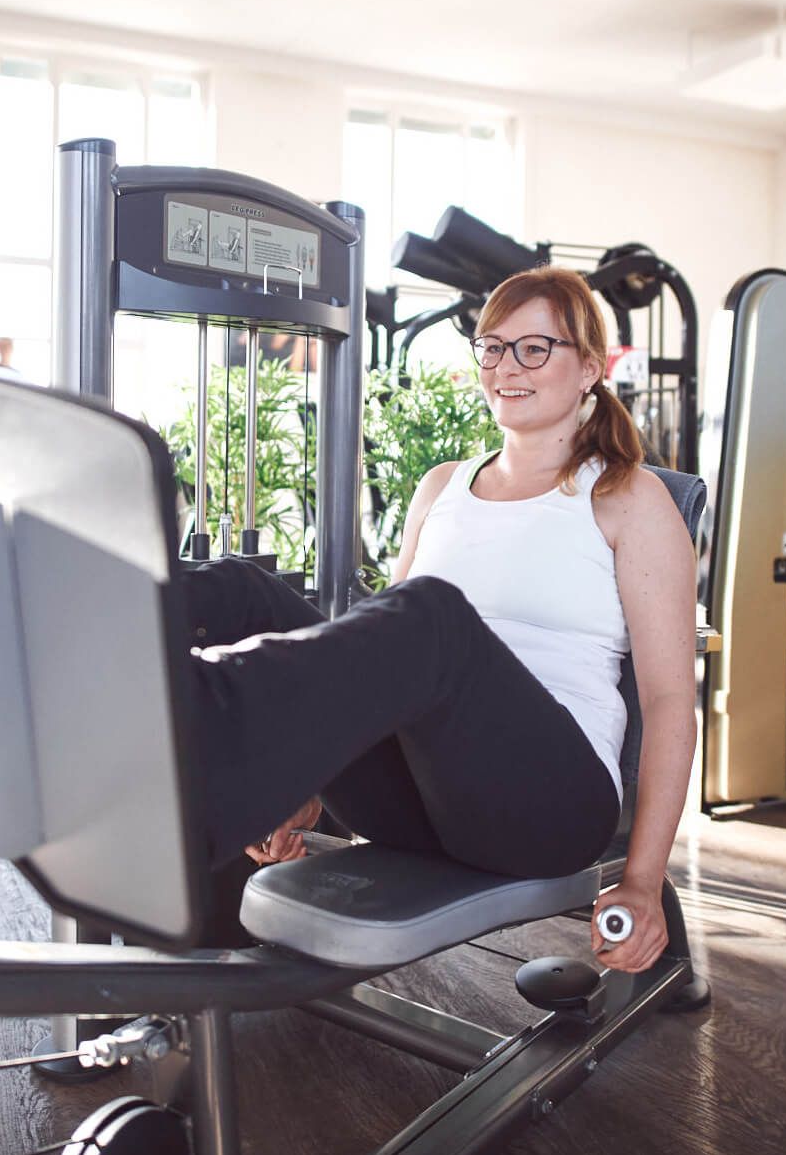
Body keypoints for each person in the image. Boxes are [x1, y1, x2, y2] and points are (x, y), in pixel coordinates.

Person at [180, 266, 697, 975]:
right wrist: (302, 778)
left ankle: (214, 785)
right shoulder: (443, 486)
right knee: (242, 589)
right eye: (492, 347)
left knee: (430, 615)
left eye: (533, 348)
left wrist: (641, 879)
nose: (505, 367)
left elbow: (670, 702)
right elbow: (375, 675)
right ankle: (73, 650)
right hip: (418, 804)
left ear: (590, 370)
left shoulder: (626, 498)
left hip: (547, 805)